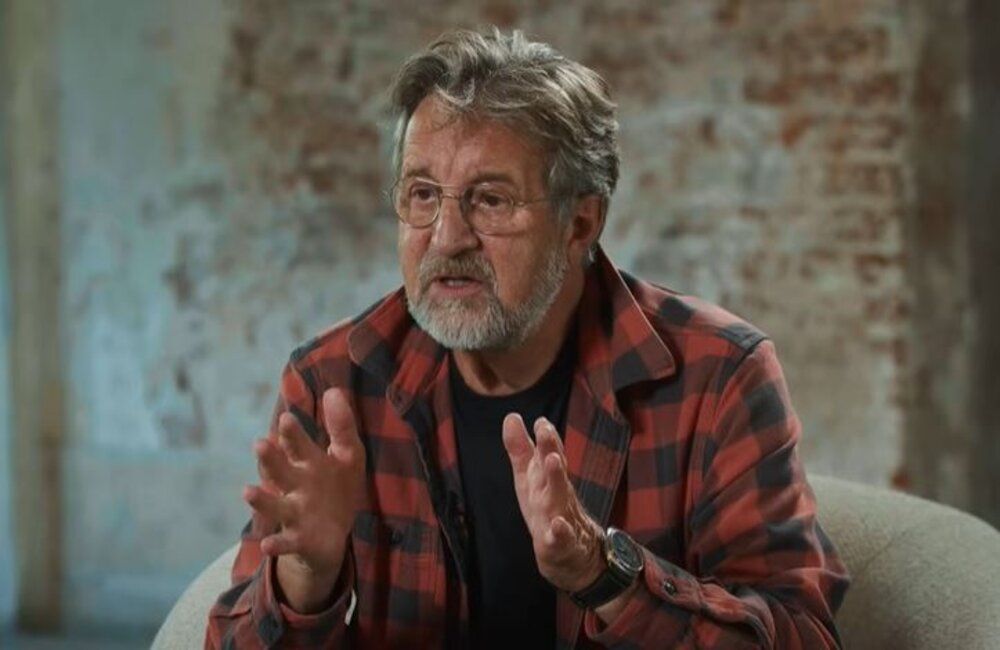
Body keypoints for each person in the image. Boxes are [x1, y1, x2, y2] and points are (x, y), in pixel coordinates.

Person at [205, 27, 849, 649]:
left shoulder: (719, 376)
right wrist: (305, 581)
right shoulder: (334, 380)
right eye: (422, 195)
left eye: (490, 200)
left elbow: (804, 636)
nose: (447, 238)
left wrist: (605, 576)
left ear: (581, 223)